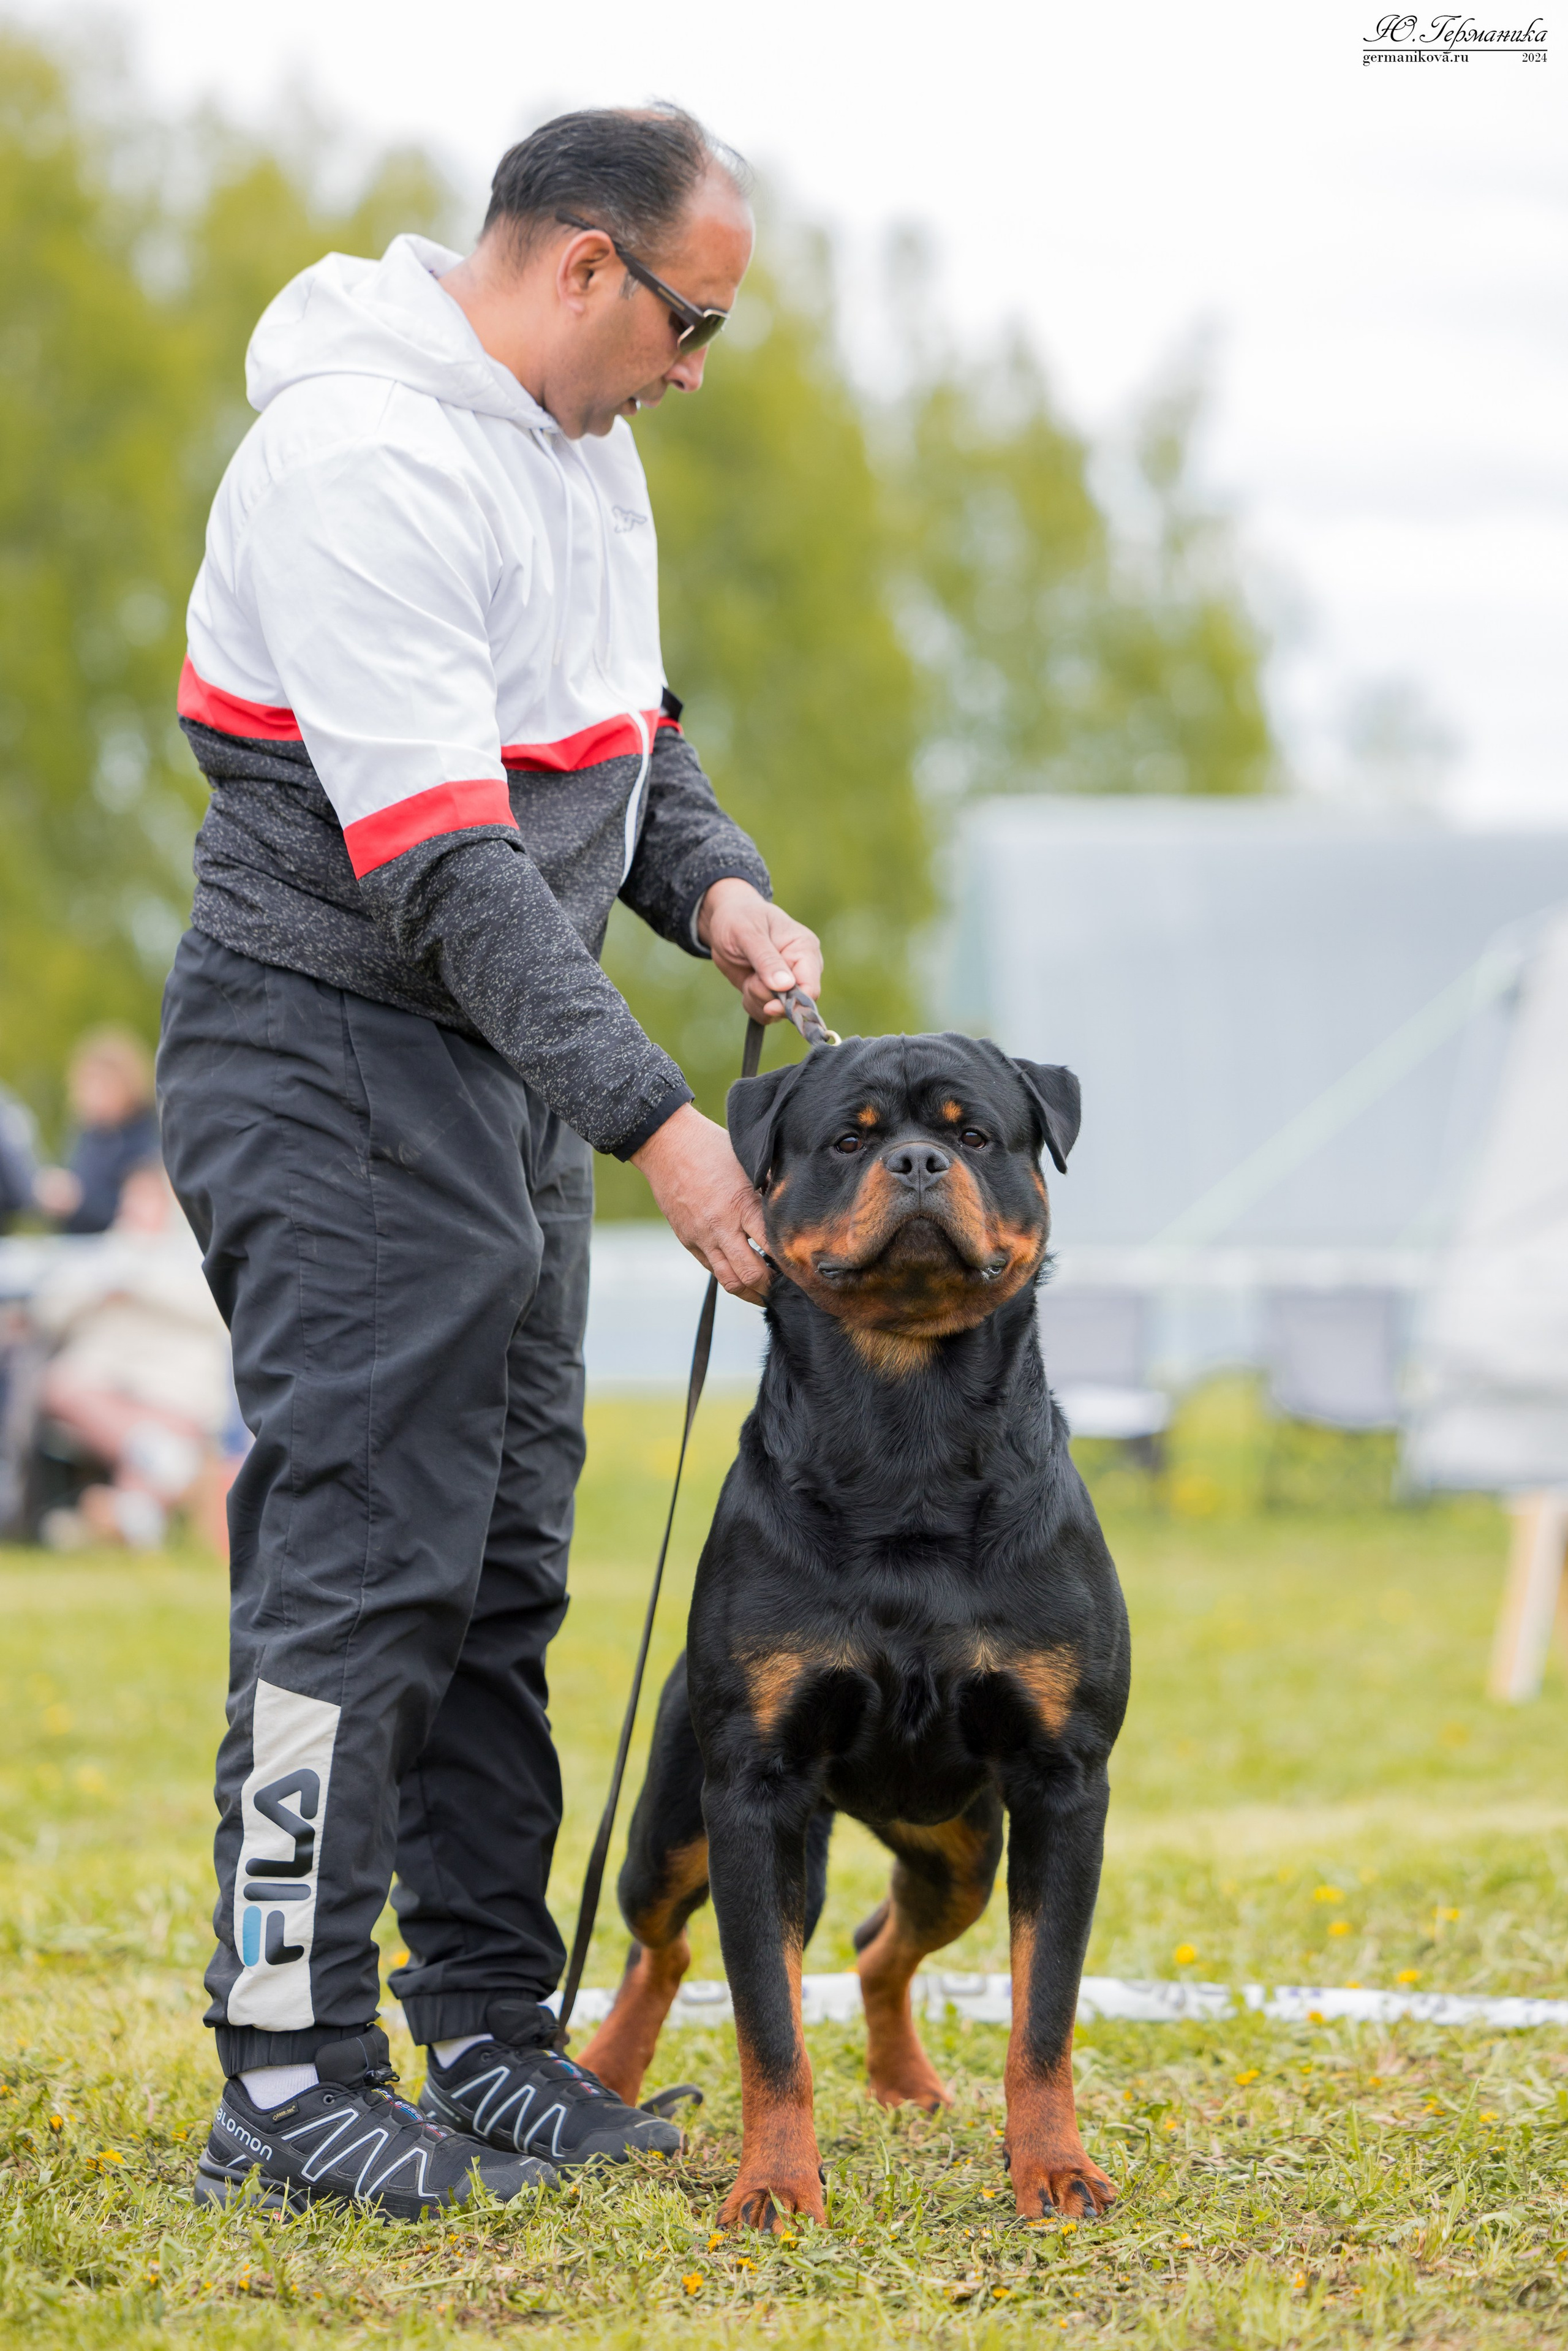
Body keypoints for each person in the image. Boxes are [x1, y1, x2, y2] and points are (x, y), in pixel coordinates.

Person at [157, 105, 824, 2217]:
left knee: (504, 1562)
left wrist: (708, 881)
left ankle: (484, 2027)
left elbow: (620, 737)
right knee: (361, 1560)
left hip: (496, 1082)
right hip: (332, 1051)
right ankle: (282, 2065)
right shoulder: (360, 460)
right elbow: (445, 866)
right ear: (583, 270)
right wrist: (664, 1121)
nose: (698, 365)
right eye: (691, 316)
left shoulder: (578, 447)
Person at [30, 1161, 235, 1552]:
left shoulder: (194, 1255)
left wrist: (139, 1281)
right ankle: (151, 1469)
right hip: (103, 1389)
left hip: (174, 1395)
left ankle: (119, 1519)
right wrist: (103, 1286)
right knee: (60, 1385)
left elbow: (217, 1312)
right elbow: (49, 1308)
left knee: (168, 1430)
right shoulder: (106, 1252)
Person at [34, 1027, 162, 1234]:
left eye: (103, 1084)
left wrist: (78, 1201)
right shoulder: (84, 1135)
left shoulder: (145, 1138)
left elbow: (139, 1216)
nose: (94, 1094)